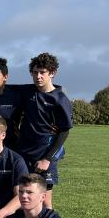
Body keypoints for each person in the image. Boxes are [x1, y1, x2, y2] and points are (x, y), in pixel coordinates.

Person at [17, 53, 73, 209]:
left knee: (45, 200)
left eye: (42, 72)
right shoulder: (28, 91)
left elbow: (64, 132)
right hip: (24, 154)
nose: (38, 76)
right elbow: (2, 87)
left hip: (45, 156)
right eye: (35, 72)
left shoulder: (60, 99)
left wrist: (47, 159)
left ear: (52, 73)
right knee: (24, 195)